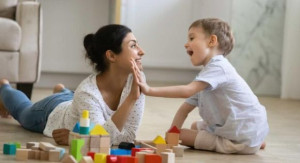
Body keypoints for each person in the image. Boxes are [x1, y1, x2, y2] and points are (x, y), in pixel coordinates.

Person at [132, 18, 269, 154]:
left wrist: (150, 90)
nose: (186, 44)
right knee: (193, 126)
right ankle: (253, 143)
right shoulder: (206, 77)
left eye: (192, 38)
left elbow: (186, 91)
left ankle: (245, 145)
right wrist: (171, 134)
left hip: (238, 138)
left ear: (212, 41)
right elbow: (184, 110)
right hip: (249, 130)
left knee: (182, 135)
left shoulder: (218, 66)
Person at [0, 24, 146, 146]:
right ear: (111, 56)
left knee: (77, 99)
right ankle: (4, 87)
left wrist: (80, 137)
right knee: (22, 111)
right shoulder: (87, 92)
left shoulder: (136, 80)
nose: (142, 51)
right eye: (133, 46)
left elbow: (128, 136)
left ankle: (62, 91)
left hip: (75, 102)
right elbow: (102, 138)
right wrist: (132, 99)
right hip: (50, 112)